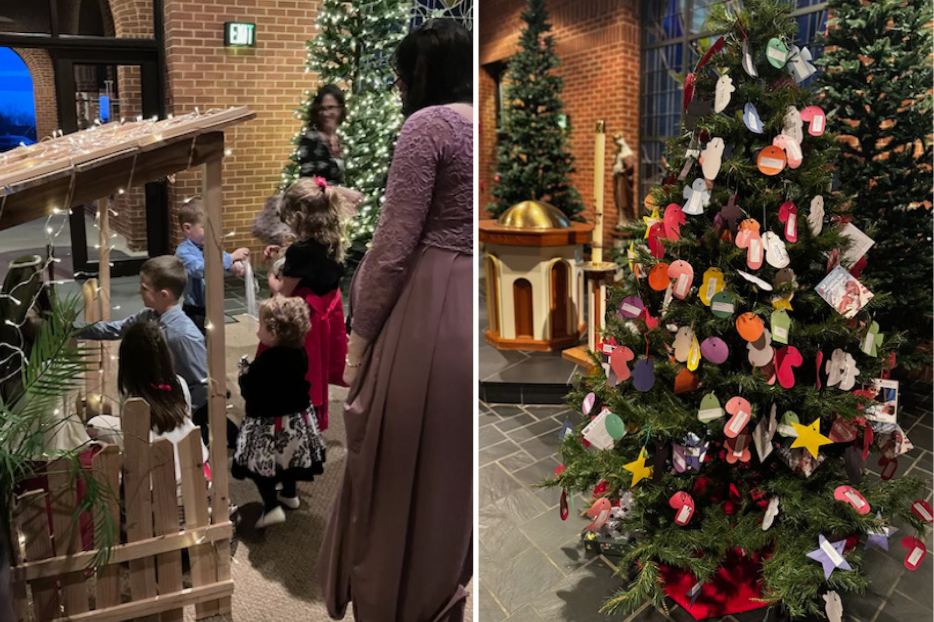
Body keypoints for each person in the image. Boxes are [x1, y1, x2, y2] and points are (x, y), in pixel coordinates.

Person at [318, 19, 473, 622]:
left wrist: (358, 341)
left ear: (420, 74)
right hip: (468, 306)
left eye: (402, 76)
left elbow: (392, 245)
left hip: (426, 309)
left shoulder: (428, 125)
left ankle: (391, 599)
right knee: (449, 474)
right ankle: (443, 593)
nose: (400, 89)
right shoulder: (477, 122)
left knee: (392, 457)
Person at [75, 255, 212, 447]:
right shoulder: (148, 316)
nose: (139, 291)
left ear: (163, 294)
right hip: (151, 399)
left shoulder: (183, 336)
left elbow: (202, 383)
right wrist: (73, 329)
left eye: (144, 288)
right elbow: (115, 329)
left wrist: (182, 413)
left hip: (173, 411)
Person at [234, 297, 326, 529]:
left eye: (261, 324)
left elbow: (251, 391)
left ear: (273, 333)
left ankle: (271, 506)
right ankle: (289, 493)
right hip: (296, 420)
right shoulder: (300, 353)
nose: (257, 328)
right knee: (290, 457)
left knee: (260, 465)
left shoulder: (266, 360)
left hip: (268, 422)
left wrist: (244, 376)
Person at [266, 176, 349, 432]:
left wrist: (271, 272)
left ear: (300, 216)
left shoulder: (300, 252)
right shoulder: (331, 240)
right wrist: (284, 253)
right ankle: (312, 424)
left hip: (303, 320)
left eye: (290, 219)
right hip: (327, 313)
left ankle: (291, 429)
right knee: (315, 374)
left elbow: (283, 293)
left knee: (297, 374)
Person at [85, 322, 209, 483]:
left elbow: (134, 448)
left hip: (160, 481)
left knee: (94, 425)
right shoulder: (180, 383)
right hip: (197, 463)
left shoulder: (132, 402)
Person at [175, 197, 250, 334]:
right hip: (195, 310)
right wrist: (231, 257)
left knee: (215, 340)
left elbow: (221, 264)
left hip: (214, 306)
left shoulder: (210, 246)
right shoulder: (183, 252)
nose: (212, 233)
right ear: (187, 228)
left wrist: (233, 267)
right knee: (197, 342)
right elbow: (202, 269)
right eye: (205, 228)